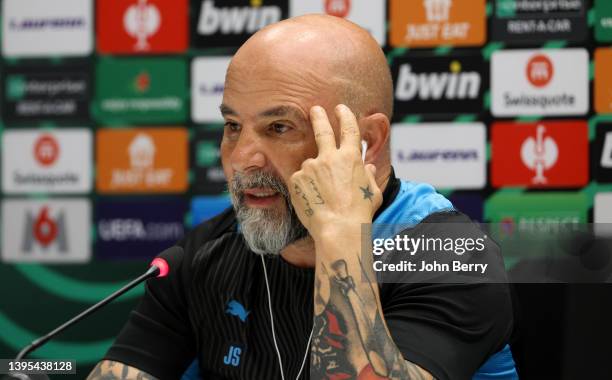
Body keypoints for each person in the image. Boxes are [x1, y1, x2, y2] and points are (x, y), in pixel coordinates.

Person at [87, 14, 517, 380]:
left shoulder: (449, 255)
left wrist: (342, 230)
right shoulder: (201, 258)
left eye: (279, 128)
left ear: (365, 142)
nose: (241, 159)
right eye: (233, 126)